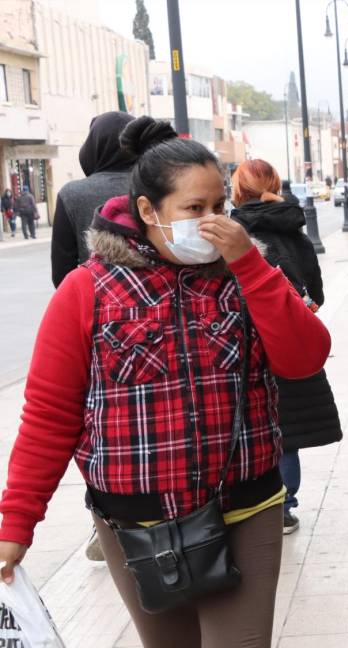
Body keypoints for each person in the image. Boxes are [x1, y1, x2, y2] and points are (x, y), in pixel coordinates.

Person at [0, 116, 331, 648]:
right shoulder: (88, 290)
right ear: (149, 211)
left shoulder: (247, 274)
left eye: (220, 207)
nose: (212, 223)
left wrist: (249, 265)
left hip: (245, 506)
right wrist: (16, 525)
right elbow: (49, 413)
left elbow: (305, 357)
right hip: (137, 523)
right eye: (194, 210)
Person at [230, 159, 342, 535]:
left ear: (237, 190)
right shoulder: (295, 229)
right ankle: (285, 505)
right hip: (289, 340)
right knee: (287, 433)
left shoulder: (232, 232)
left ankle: (255, 503)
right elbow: (317, 292)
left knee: (247, 426)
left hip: (244, 344)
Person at [51, 111, 136, 287]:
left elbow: (62, 272)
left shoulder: (72, 194)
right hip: (159, 301)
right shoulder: (160, 186)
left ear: (93, 145)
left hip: (96, 301)